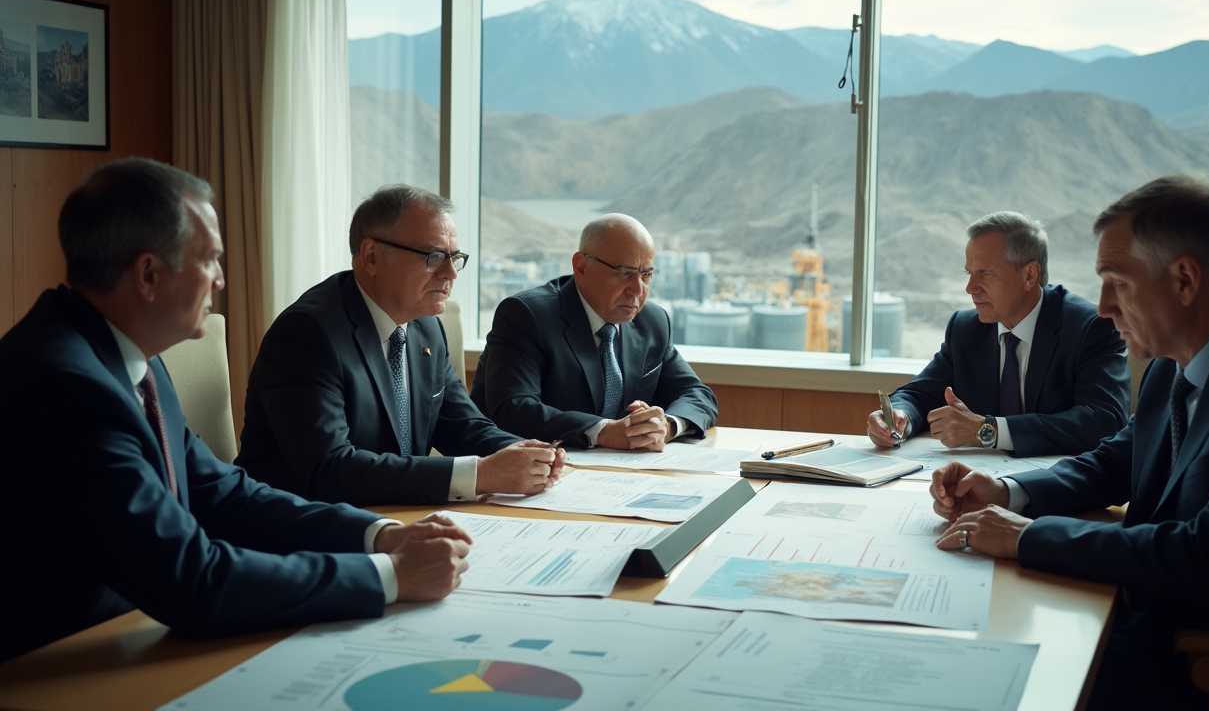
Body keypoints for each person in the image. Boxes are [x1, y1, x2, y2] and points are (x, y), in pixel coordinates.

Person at [0, 159, 473, 662]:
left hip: (127, 634)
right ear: (148, 274)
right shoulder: (66, 387)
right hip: (56, 664)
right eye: (209, 260)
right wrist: (392, 576)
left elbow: (223, 494)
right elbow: (192, 580)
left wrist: (379, 535)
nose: (221, 280)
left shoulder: (130, 356)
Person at [929, 176, 1209, 709]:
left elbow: (1206, 556)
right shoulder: (1174, 364)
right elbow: (1113, 464)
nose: (1103, 307)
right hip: (1148, 617)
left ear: (1185, 280)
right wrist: (1005, 491)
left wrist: (1025, 538)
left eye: (1117, 282)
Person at [236, 185, 563, 506]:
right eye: (434, 256)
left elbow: (463, 427)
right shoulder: (307, 333)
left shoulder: (426, 326)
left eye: (455, 257)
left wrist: (529, 454)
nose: (451, 273)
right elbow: (330, 469)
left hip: (397, 513)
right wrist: (480, 474)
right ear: (372, 256)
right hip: (304, 529)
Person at [868, 211, 1129, 456]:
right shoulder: (965, 329)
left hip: (1058, 488)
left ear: (1029, 275)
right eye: (970, 273)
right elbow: (920, 393)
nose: (970, 287)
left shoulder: (1091, 328)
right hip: (979, 481)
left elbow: (1103, 420)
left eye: (986, 273)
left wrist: (988, 430)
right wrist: (900, 415)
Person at [471, 214, 717, 450]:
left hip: (617, 475)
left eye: (646, 276)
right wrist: (604, 431)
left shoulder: (653, 321)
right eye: (625, 273)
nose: (637, 290)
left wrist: (667, 425)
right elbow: (513, 408)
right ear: (581, 266)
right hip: (526, 472)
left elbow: (698, 394)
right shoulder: (526, 315)